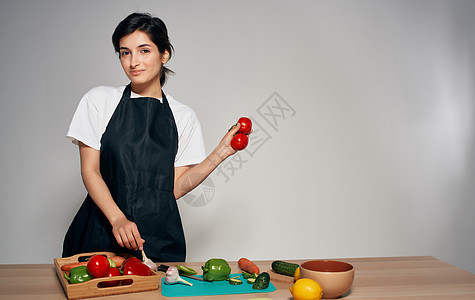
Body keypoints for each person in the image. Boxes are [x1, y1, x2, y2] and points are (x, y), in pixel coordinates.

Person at [62, 12, 243, 262]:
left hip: (156, 241)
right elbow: (90, 171)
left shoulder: (183, 116)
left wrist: (220, 154)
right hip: (99, 236)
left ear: (164, 54)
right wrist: (117, 219)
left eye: (144, 50)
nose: (133, 61)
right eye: (125, 52)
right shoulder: (99, 100)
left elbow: (173, 188)